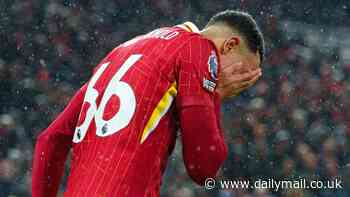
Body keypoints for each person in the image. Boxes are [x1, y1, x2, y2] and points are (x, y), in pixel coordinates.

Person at [32, 10, 264, 197]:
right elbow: (203, 167)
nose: (238, 87)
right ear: (229, 45)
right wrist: (215, 94)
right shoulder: (198, 49)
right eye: (242, 75)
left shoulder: (121, 52)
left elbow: (50, 140)